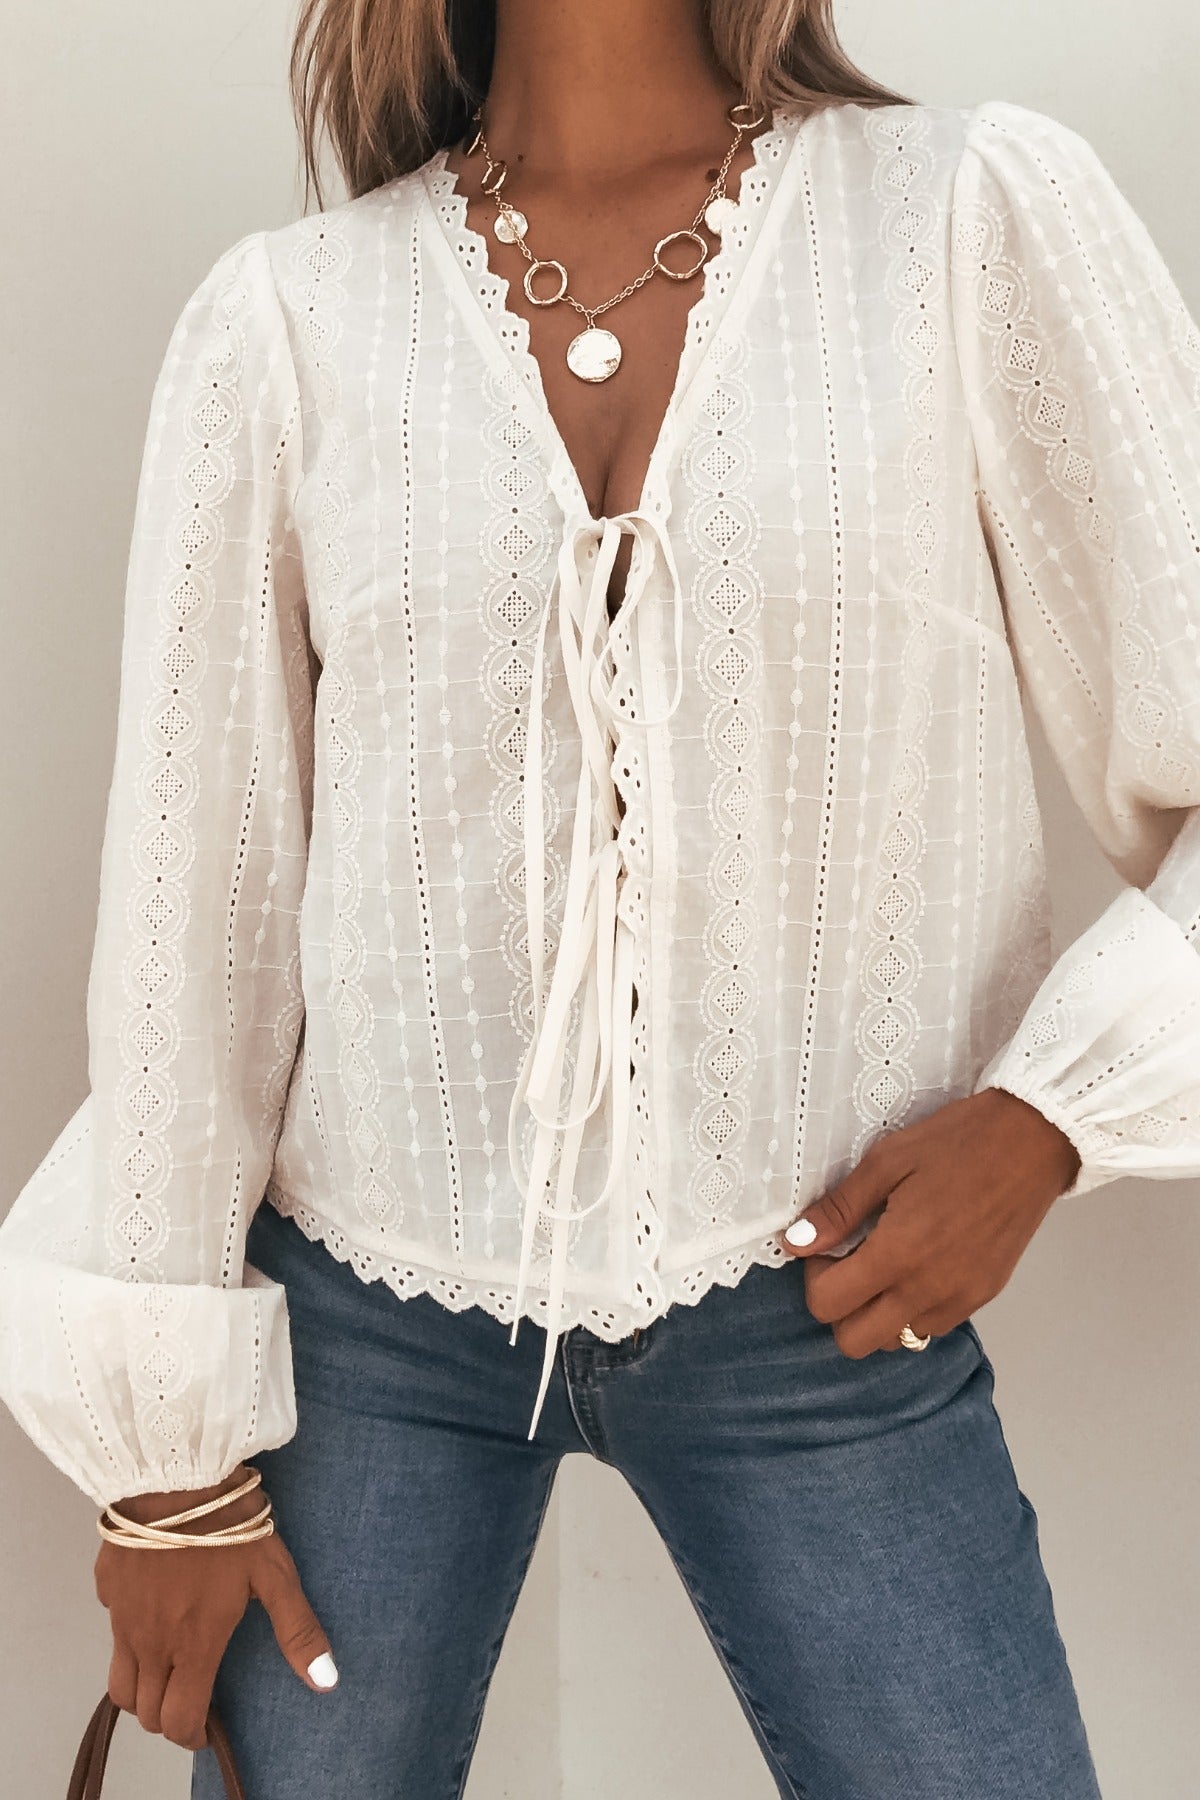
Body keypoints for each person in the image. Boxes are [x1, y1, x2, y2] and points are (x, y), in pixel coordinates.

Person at [4, 0, 1199, 1793]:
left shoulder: (967, 220)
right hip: (358, 1326)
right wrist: (168, 1465)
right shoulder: (289, 324)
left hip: (823, 1299)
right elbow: (199, 923)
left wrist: (1050, 1119)